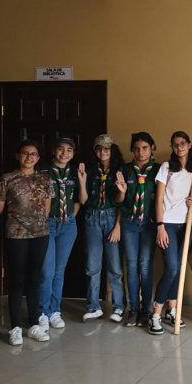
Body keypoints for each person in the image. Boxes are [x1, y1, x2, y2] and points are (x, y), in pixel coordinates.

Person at [0, 140, 54, 345]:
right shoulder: (8, 178)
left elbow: (47, 209)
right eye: (25, 153)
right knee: (17, 280)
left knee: (35, 279)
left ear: (38, 158)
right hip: (15, 234)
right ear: (18, 155)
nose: (29, 157)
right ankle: (15, 327)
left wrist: (35, 223)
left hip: (40, 234)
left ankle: (34, 324)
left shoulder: (45, 178)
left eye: (33, 154)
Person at [149, 131, 192, 335]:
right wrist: (160, 225)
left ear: (190, 145)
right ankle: (156, 314)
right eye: (175, 144)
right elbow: (158, 199)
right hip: (167, 222)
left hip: (187, 223)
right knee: (172, 269)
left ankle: (173, 310)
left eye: (183, 143)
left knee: (180, 268)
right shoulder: (166, 168)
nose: (179, 147)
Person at [77, 134, 126, 323]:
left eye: (106, 148)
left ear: (112, 150)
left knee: (114, 267)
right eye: (99, 148)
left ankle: (119, 306)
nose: (103, 152)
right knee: (92, 266)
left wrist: (118, 226)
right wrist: (82, 181)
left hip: (112, 217)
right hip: (91, 218)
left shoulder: (119, 170)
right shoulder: (90, 170)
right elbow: (83, 200)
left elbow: (121, 202)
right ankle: (93, 306)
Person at [38, 137, 81, 331]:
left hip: (67, 225)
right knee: (46, 272)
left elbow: (81, 198)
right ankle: (42, 312)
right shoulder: (42, 171)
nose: (65, 153)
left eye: (69, 150)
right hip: (47, 223)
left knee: (59, 271)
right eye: (61, 149)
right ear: (54, 151)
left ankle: (55, 311)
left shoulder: (74, 173)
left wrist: (70, 216)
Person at [120, 132, 159, 328]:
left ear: (152, 148)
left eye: (145, 147)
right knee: (132, 266)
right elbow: (119, 200)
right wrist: (121, 191)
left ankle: (146, 310)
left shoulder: (160, 170)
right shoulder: (126, 170)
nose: (140, 152)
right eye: (136, 148)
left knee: (145, 265)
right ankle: (133, 309)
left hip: (150, 224)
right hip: (129, 222)